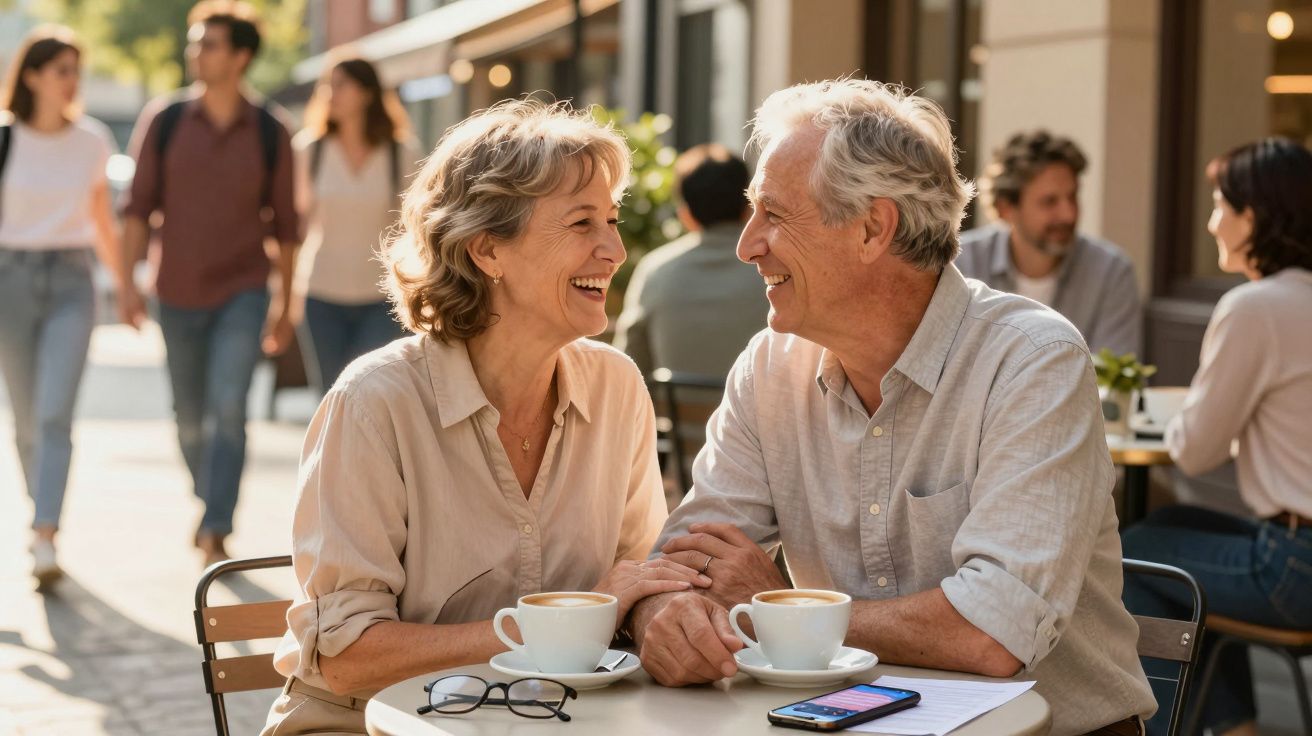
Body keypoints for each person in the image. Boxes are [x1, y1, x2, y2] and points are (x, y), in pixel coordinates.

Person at [628, 80, 1156, 735]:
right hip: (840, 723)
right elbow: (677, 569)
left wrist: (779, 607)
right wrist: (659, 617)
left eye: (774, 214)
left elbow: (994, 632)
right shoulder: (769, 366)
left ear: (873, 228)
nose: (748, 244)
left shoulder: (1032, 360)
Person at [261, 100, 710, 735]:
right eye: (582, 223)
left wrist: (669, 612)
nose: (613, 249)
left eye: (611, 220)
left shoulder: (617, 387)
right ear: (486, 249)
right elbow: (348, 657)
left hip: (546, 720)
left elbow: (635, 584)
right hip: (367, 724)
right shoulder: (374, 403)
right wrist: (567, 624)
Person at [1121, 138, 1312, 736]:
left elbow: (1194, 451)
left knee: (1132, 560)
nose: (1210, 222)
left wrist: (1188, 410)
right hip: (1295, 551)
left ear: (1251, 216)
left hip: (1294, 568)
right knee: (1166, 529)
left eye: (1219, 205)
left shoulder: (1256, 308)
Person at [117, 0, 299, 565]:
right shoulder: (165, 120)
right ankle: (209, 498)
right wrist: (127, 283)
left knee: (229, 406)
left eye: (209, 44)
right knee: (189, 416)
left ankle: (217, 524)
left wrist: (285, 305)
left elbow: (287, 228)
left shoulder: (270, 131)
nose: (195, 51)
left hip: (243, 291)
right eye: (195, 41)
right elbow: (137, 209)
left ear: (241, 56)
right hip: (175, 291)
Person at [0, 25, 122, 588]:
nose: (72, 81)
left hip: (73, 281)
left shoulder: (93, 141)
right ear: (32, 76)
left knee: (54, 414)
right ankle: (40, 512)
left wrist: (128, 287)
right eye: (61, 71)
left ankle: (45, 532)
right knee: (26, 419)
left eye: (76, 71)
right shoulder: (6, 139)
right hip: (10, 279)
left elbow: (102, 220)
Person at [956, 130, 1143, 356]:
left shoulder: (1111, 272)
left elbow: (1113, 371)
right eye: (1049, 201)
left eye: (1072, 197)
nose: (1069, 214)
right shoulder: (961, 263)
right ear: (1006, 209)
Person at [293, 55, 415, 395]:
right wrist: (285, 294)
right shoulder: (309, 150)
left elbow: (412, 228)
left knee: (373, 393)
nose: (329, 94)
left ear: (366, 93)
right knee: (330, 394)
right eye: (326, 85)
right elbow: (296, 224)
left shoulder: (400, 153)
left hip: (382, 296)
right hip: (321, 293)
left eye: (340, 85)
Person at [613, 143, 766, 380]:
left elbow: (628, 366)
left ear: (686, 214)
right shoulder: (774, 271)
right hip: (761, 405)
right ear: (750, 206)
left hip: (676, 405)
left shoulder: (656, 270)